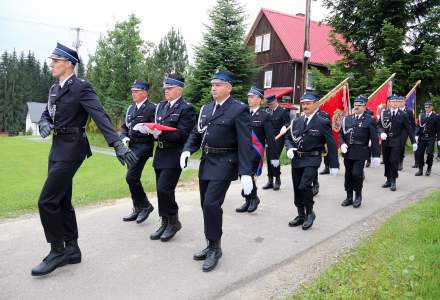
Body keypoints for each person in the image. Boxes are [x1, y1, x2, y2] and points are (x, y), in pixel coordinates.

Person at [32, 43, 138, 276]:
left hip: (73, 148)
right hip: (57, 148)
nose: (51, 64)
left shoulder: (81, 88)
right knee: (61, 200)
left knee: (46, 201)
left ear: (69, 64)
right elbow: (47, 113)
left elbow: (99, 115)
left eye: (56, 61)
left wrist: (118, 144)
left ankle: (57, 250)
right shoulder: (53, 89)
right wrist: (44, 122)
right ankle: (73, 249)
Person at [180, 70, 253, 272]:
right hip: (207, 161)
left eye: (218, 84)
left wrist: (246, 172)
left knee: (212, 204)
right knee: (205, 205)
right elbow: (196, 132)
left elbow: (245, 143)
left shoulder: (238, 109)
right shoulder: (206, 108)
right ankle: (211, 243)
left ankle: (215, 249)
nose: (213, 87)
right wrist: (187, 150)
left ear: (228, 87)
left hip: (225, 161)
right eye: (212, 84)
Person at [145, 74, 196, 241]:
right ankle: (164, 221)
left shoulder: (186, 108)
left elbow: (183, 134)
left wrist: (162, 132)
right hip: (160, 153)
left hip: (175, 154)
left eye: (170, 88)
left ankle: (173, 221)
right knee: (161, 191)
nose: (166, 91)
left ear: (179, 89)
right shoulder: (161, 106)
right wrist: (152, 132)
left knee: (164, 188)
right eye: (165, 88)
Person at [284, 92, 339, 230]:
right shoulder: (296, 121)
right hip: (297, 159)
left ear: (316, 104)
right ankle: (300, 214)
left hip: (312, 158)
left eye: (308, 103)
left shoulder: (322, 122)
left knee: (304, 186)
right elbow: (288, 138)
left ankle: (310, 213)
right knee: (297, 188)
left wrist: (334, 164)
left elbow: (331, 144)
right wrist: (290, 148)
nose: (305, 106)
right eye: (303, 103)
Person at [120, 80, 156, 223]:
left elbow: (156, 128)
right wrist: (123, 137)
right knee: (132, 179)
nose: (133, 93)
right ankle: (137, 208)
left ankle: (146, 206)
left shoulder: (152, 108)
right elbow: (124, 127)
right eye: (132, 91)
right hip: (131, 147)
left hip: (143, 147)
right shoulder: (131, 109)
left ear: (145, 93)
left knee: (131, 177)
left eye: (136, 91)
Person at [236, 87, 277, 213]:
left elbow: (270, 138)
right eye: (249, 96)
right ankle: (247, 200)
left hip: (255, 152)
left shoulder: (265, 116)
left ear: (260, 100)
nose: (249, 99)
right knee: (242, 175)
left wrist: (274, 156)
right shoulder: (243, 114)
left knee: (250, 175)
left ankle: (253, 198)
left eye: (252, 97)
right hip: (242, 152)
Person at [339, 95, 381, 208]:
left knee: (356, 174)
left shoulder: (370, 119)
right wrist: (342, 143)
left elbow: (374, 138)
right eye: (355, 105)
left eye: (359, 105)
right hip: (348, 152)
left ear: (364, 106)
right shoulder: (347, 119)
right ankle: (349, 196)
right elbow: (341, 134)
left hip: (361, 151)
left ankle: (358, 196)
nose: (356, 107)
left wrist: (376, 155)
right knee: (348, 175)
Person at [378, 95, 417, 191]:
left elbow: (409, 128)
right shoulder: (384, 113)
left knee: (393, 160)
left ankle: (393, 180)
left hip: (396, 141)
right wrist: (381, 132)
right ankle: (388, 179)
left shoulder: (402, 114)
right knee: (386, 160)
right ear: (390, 103)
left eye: (396, 101)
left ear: (398, 103)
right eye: (393, 101)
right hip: (386, 141)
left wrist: (413, 141)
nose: (395, 103)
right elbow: (378, 125)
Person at [262, 95, 290, 191]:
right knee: (269, 159)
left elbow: (288, 123)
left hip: (279, 139)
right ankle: (270, 180)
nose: (269, 106)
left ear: (275, 101)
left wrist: (284, 127)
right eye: (268, 104)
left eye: (271, 104)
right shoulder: (268, 112)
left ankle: (277, 179)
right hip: (269, 139)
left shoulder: (283, 111)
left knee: (275, 158)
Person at [414, 101, 440, 176]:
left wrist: (438, 139)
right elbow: (418, 126)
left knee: (429, 153)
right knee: (420, 153)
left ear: (432, 107)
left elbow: (438, 129)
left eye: (428, 107)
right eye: (425, 107)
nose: (427, 108)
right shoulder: (421, 115)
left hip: (431, 138)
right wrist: (416, 134)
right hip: (422, 137)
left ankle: (429, 168)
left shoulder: (436, 116)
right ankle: (420, 169)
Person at [397, 96, 416, 170]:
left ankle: (400, 162)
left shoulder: (409, 111)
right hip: (396, 130)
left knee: (401, 146)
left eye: (402, 101)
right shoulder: (395, 110)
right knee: (396, 146)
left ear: (404, 102)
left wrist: (413, 134)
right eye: (399, 101)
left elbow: (412, 123)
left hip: (405, 131)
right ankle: (397, 160)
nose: (400, 103)